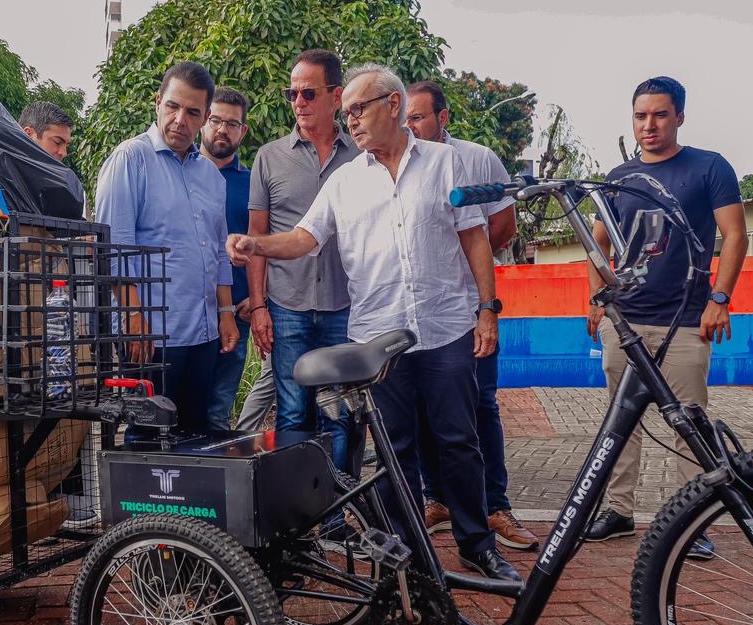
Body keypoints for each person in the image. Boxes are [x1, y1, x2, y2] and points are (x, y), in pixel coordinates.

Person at [227, 63, 519, 584]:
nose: (351, 121)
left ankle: (477, 545)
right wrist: (257, 245)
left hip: (446, 326)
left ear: (393, 105)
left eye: (358, 109)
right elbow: (305, 238)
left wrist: (486, 309)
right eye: (347, 114)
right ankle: (406, 557)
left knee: (459, 441)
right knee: (393, 450)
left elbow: (475, 237)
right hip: (379, 339)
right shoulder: (345, 181)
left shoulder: (445, 163)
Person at [584, 76, 748, 559]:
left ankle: (690, 521)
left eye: (659, 114)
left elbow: (735, 235)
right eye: (640, 116)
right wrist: (597, 298)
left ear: (679, 116)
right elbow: (597, 241)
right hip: (626, 321)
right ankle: (618, 511)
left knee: (689, 423)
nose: (649, 125)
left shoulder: (709, 167)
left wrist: (720, 298)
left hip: (686, 320)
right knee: (620, 421)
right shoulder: (619, 176)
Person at [406, 80, 538, 551]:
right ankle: (437, 499)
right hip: (420, 313)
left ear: (442, 117)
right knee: (423, 407)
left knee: (481, 405)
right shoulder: (396, 166)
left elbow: (503, 223)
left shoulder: (477, 159)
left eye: (418, 117)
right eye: (405, 119)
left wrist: (465, 265)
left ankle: (495, 506)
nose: (410, 127)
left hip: (469, 307)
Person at [95, 61, 240, 433]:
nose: (180, 120)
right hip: (151, 333)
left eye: (192, 112)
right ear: (158, 102)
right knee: (149, 440)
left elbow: (218, 251)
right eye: (173, 106)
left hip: (203, 333)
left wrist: (225, 313)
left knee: (195, 435)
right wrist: (133, 317)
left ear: (204, 118)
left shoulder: (210, 175)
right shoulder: (130, 159)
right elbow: (115, 248)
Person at [245, 49, 360, 470]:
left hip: (345, 308)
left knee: (340, 415)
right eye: (291, 93)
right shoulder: (270, 157)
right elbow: (257, 238)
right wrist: (259, 307)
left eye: (308, 93)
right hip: (287, 306)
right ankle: (296, 505)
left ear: (336, 96)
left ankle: (339, 504)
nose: (298, 102)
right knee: (292, 414)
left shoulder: (361, 157)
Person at [201, 87, 254, 431]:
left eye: (232, 123)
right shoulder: (181, 174)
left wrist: (259, 297)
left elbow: (265, 242)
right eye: (215, 120)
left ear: (242, 130)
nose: (222, 129)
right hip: (190, 314)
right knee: (179, 411)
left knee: (218, 412)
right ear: (203, 121)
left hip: (237, 312)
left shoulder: (253, 183)